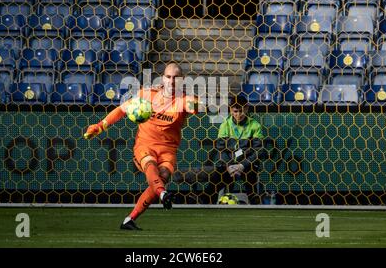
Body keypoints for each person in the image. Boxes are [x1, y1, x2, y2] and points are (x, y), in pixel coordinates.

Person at [84, 63, 199, 230]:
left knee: (164, 175)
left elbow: (195, 106)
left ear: (182, 80)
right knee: (150, 164)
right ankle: (162, 193)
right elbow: (122, 109)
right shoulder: (147, 95)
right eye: (168, 77)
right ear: (162, 78)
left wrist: (196, 103)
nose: (172, 81)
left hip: (168, 150)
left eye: (176, 78)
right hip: (145, 146)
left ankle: (129, 219)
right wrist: (100, 126)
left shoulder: (183, 100)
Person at [200, 95, 265, 205]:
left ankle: (255, 205)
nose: (238, 114)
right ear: (230, 110)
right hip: (228, 165)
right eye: (235, 111)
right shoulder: (225, 125)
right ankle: (206, 204)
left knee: (252, 180)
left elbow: (258, 151)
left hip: (247, 165)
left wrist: (242, 165)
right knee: (215, 181)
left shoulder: (255, 125)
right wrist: (229, 166)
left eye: (241, 111)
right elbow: (221, 150)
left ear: (247, 108)